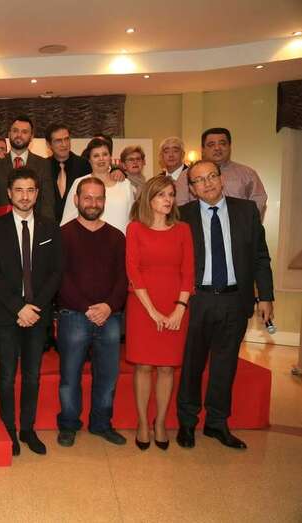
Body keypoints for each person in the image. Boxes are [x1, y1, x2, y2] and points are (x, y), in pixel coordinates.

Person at [176, 160, 274, 450]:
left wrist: (266, 296)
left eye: (211, 176)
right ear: (191, 188)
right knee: (192, 365)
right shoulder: (182, 216)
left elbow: (260, 256)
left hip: (235, 299)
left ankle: (217, 423)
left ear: (221, 179)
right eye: (199, 180)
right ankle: (187, 422)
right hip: (197, 300)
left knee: (225, 365)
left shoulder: (246, 211)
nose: (207, 183)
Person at [0, 168, 62, 456]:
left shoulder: (50, 228)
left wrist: (34, 307)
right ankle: (9, 429)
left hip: (37, 313)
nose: (25, 196)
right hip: (7, 313)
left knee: (32, 375)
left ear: (37, 194)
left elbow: (56, 272)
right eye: (19, 190)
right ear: (9, 193)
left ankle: (28, 428)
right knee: (6, 374)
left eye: (30, 190)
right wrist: (19, 307)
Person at [56, 177, 128, 448]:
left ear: (104, 202)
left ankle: (101, 424)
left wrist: (109, 306)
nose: (93, 203)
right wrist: (87, 308)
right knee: (69, 378)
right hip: (73, 316)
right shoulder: (62, 235)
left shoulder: (117, 237)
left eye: (98, 198)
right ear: (76, 200)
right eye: (87, 197)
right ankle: (68, 424)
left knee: (107, 378)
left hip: (110, 317)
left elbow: (123, 278)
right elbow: (60, 278)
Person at [125, 176, 194, 450]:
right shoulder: (135, 229)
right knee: (143, 366)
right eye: (161, 195)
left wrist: (180, 308)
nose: (168, 200)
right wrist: (152, 311)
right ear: (149, 199)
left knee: (167, 367)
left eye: (171, 194)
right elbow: (133, 270)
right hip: (143, 306)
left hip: (176, 305)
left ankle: (161, 422)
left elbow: (188, 271)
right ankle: (143, 423)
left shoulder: (183, 230)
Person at [178, 128, 268, 219]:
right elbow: (181, 206)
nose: (217, 148)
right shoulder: (187, 175)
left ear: (229, 146)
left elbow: (259, 199)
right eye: (211, 145)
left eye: (222, 144)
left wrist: (244, 222)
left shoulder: (248, 173)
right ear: (203, 149)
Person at [0, 115, 54, 222]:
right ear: (9, 134)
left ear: (31, 137)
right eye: (15, 131)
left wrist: (46, 227)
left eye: (24, 132)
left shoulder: (43, 165)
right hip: (2, 226)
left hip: (35, 226)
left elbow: (47, 203)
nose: (19, 135)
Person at [61, 138, 135, 234]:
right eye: (96, 156)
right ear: (89, 160)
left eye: (105, 154)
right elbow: (67, 219)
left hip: (119, 241)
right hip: (87, 240)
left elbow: (132, 218)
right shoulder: (80, 182)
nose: (101, 159)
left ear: (110, 157)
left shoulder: (125, 184)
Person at [44, 123, 91, 222]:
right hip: (49, 224)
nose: (64, 144)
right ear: (48, 144)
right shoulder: (43, 166)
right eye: (58, 141)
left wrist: (116, 170)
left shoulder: (84, 165)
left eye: (66, 139)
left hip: (77, 223)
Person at [156, 137, 188, 204]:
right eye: (166, 152)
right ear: (161, 156)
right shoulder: (158, 179)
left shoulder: (192, 176)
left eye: (175, 151)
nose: (171, 155)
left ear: (183, 154)